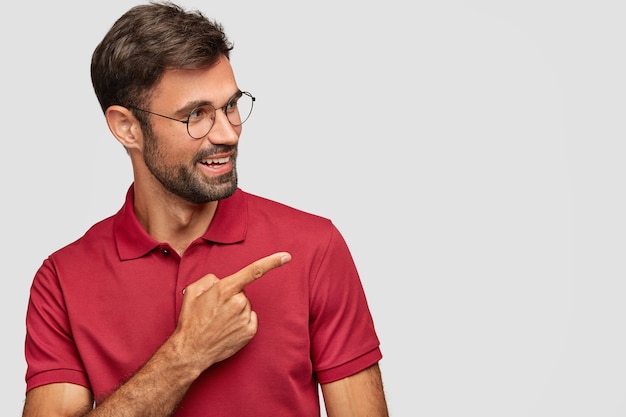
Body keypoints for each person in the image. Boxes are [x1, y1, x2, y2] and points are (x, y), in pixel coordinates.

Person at [22, 2, 388, 416]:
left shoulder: (313, 248)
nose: (229, 132)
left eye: (231, 105)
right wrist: (186, 355)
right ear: (127, 127)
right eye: (196, 114)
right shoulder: (63, 279)